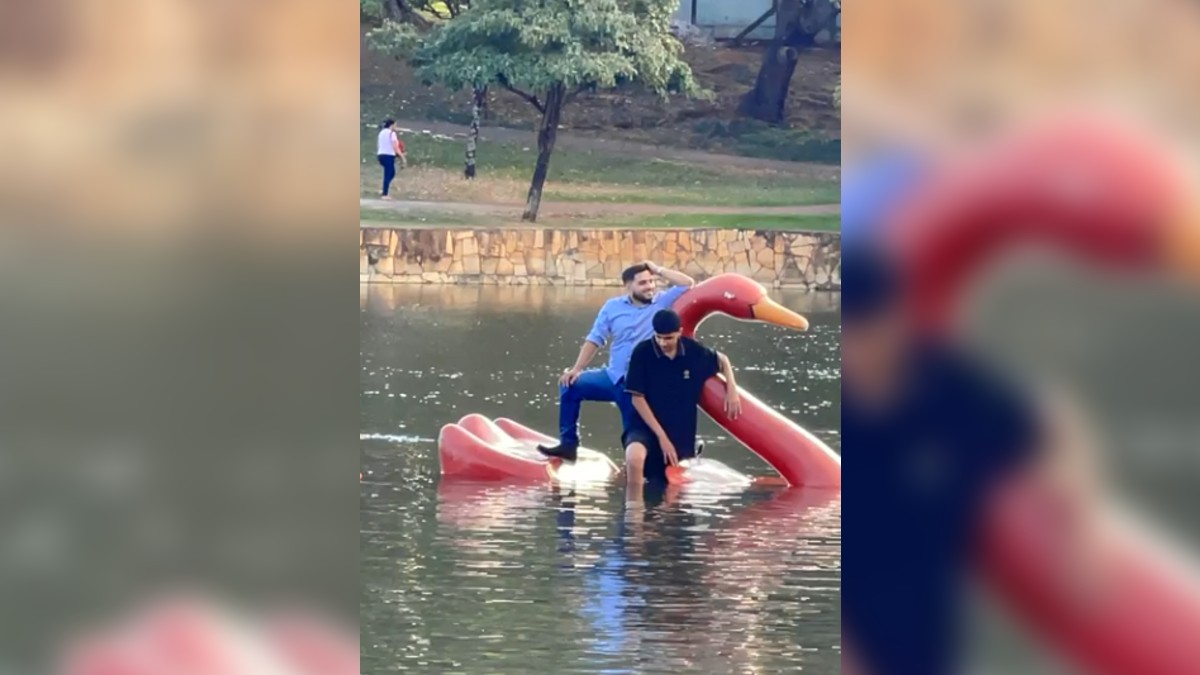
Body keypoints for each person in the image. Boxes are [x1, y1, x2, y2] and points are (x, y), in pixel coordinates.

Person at [840, 244, 1101, 675]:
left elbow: (1055, 420)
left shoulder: (951, 388)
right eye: (849, 335)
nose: (857, 352)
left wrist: (1080, 522)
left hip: (931, 625)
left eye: (868, 332)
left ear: (896, 323)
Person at [537, 262, 695, 462]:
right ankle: (569, 445)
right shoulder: (612, 307)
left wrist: (657, 269)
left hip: (639, 384)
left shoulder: (662, 302)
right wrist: (577, 369)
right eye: (643, 283)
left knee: (634, 433)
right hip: (613, 376)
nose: (650, 286)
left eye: (652, 282)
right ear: (628, 285)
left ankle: (659, 461)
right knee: (570, 385)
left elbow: (687, 283)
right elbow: (595, 338)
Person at [622, 309, 742, 485]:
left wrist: (732, 388)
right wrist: (662, 437)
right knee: (634, 456)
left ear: (679, 332)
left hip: (680, 428)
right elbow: (637, 398)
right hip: (645, 424)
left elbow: (722, 360)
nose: (663, 343)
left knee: (670, 480)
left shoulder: (693, 352)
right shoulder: (642, 352)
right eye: (659, 337)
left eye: (668, 338)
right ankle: (634, 508)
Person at [376, 119, 407, 200]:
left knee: (391, 173)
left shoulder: (381, 132)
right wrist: (402, 157)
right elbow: (395, 146)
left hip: (381, 155)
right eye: (395, 125)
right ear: (392, 125)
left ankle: (384, 190)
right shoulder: (392, 133)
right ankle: (385, 194)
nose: (396, 127)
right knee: (388, 174)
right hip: (388, 156)